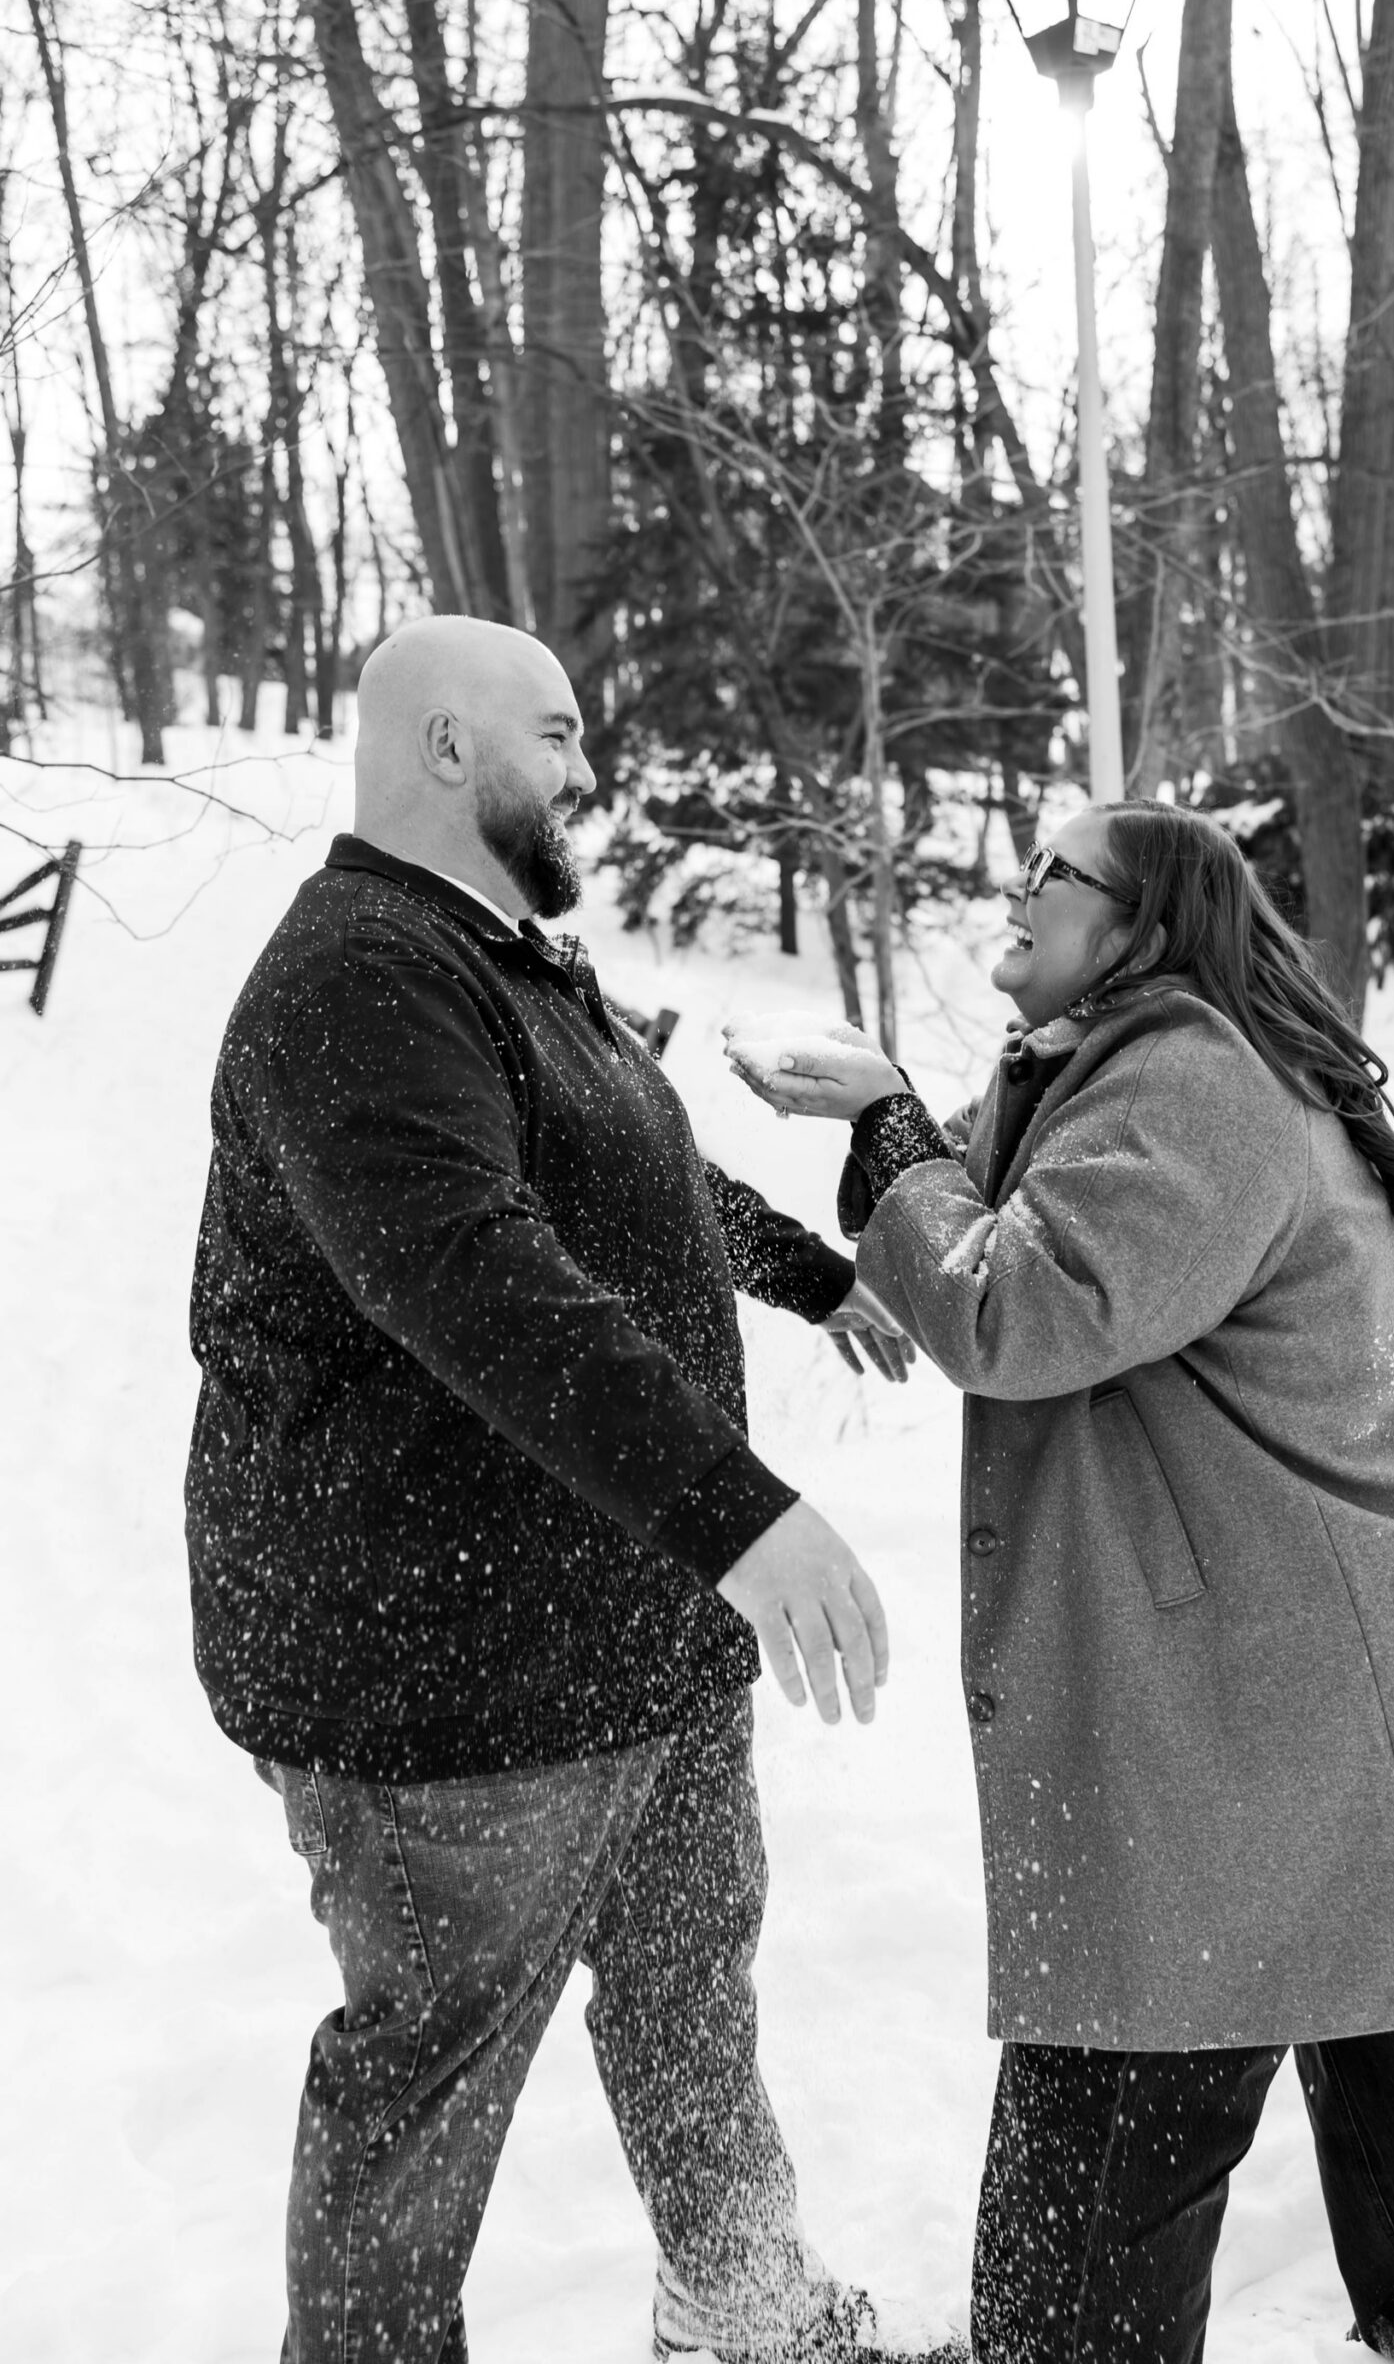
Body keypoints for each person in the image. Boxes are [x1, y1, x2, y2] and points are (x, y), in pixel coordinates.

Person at [726, 800, 1394, 2364]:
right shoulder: (1123, 1064)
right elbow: (1000, 1220)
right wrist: (891, 1124)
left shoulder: (1196, 1081)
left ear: (1141, 927)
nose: (1016, 889)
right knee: (1383, 1959)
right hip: (1339, 1630)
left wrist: (890, 1127)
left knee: (1146, 2014)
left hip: (1327, 1644)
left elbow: (1014, 1307)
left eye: (1052, 874)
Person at [185, 615, 942, 2364]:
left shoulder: (505, 960)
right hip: (446, 1670)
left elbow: (628, 1178)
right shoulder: (359, 977)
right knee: (429, 2072)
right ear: (447, 747)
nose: (591, 771)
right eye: (561, 732)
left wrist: (812, 1276)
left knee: (687, 1986)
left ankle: (741, 2306)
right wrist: (740, 1510)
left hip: (635, 1629)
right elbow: (474, 1272)